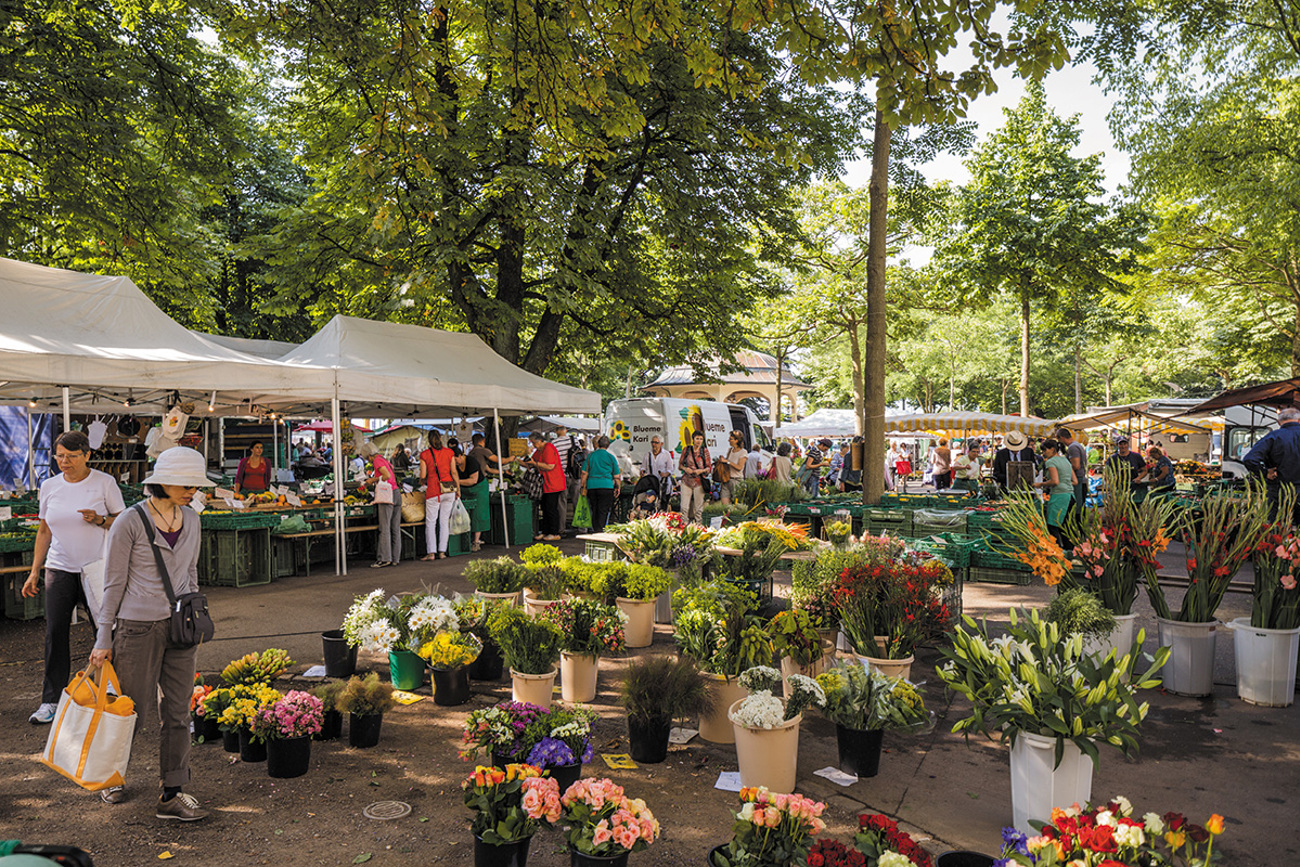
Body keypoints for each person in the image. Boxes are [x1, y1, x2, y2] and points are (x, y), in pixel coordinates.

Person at [90, 446, 212, 819]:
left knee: (178, 712)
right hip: (136, 628)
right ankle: (111, 776)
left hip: (180, 626)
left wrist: (194, 613)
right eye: (186, 484)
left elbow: (190, 573)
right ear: (162, 482)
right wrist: (103, 636)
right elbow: (113, 584)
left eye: (196, 485)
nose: (193, 491)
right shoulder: (129, 520)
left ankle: (172, 793)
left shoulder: (192, 519)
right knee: (132, 711)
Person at [22, 431, 126, 725]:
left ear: (87, 455)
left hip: (96, 567)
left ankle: (111, 688)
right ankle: (51, 700)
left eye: (71, 456)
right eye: (59, 456)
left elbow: (123, 520)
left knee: (104, 629)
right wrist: (35, 571)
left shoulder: (105, 483)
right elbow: (44, 530)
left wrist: (99, 520)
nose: (64, 462)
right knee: (55, 633)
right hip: (59, 567)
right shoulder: (50, 485)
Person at [1243, 407, 1300, 522]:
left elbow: (1249, 459)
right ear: (1299, 420)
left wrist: (1265, 473)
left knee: (1279, 531)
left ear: (1278, 422)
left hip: (1280, 492)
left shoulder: (1273, 437)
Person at [419, 430, 460, 560]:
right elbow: (454, 472)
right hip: (449, 490)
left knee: (431, 523)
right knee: (444, 522)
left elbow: (423, 475)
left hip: (434, 491)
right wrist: (458, 489)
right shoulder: (449, 452)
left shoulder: (424, 455)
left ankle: (431, 553)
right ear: (441, 438)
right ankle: (442, 552)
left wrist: (421, 480)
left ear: (428, 440)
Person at [518, 431, 566, 540]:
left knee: (551, 508)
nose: (533, 445)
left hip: (554, 483)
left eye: (534, 443)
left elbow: (550, 466)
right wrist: (519, 460)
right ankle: (545, 532)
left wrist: (535, 464)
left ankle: (554, 533)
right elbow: (531, 462)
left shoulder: (548, 448)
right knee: (544, 507)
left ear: (540, 441)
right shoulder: (539, 450)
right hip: (545, 484)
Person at [361, 441, 399, 567]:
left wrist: (372, 479)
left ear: (370, 455)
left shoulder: (377, 460)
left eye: (367, 458)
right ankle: (395, 558)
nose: (369, 461)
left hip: (387, 495)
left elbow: (386, 475)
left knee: (385, 528)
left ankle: (384, 559)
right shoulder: (383, 459)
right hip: (396, 493)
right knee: (395, 528)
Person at [450, 437, 489, 552]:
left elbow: (473, 480)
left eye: (456, 459)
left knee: (478, 514)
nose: (455, 463)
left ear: (461, 455)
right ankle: (464, 539)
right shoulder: (454, 465)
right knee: (463, 514)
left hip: (479, 489)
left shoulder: (471, 461)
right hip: (464, 490)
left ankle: (476, 541)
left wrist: (457, 482)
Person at [1037, 438, 1074, 551]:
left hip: (1059, 497)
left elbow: (1055, 481)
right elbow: (1075, 481)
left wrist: (1040, 484)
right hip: (1071, 496)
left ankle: (1056, 553)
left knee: (1053, 527)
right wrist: (1064, 483)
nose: (1043, 453)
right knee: (1066, 528)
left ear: (1052, 449)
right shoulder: (1065, 460)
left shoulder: (1051, 461)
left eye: (1045, 450)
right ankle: (1071, 553)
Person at [580, 435, 622, 532]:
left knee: (594, 509)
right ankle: (600, 530)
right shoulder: (611, 457)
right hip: (606, 486)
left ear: (598, 444)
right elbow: (616, 476)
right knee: (603, 511)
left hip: (592, 486)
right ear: (608, 445)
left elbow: (584, 473)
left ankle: (595, 529)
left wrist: (582, 486)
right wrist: (618, 487)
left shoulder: (591, 456)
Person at [678, 430, 711, 524]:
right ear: (693, 439)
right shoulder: (687, 450)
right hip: (686, 481)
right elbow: (680, 465)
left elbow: (709, 468)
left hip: (699, 482)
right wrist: (685, 468)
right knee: (684, 507)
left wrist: (701, 471)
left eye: (701, 439)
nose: (699, 441)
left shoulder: (704, 451)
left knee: (698, 509)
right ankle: (683, 526)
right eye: (697, 439)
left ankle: (698, 526)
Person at [1056, 427, 1087, 512]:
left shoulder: (1072, 447)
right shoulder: (1076, 445)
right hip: (1080, 479)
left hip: (1078, 480)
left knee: (1077, 508)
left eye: (1057, 438)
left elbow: (1076, 465)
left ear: (1061, 437)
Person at [642, 436, 676, 503]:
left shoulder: (666, 454)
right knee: (650, 503)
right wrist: (642, 472)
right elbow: (643, 467)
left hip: (663, 485)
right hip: (651, 485)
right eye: (652, 442)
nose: (653, 444)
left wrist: (665, 474)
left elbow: (671, 469)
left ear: (661, 444)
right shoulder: (647, 455)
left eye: (656, 442)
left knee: (663, 504)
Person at [718, 430, 747, 505]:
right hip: (726, 479)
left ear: (736, 440)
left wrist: (727, 461)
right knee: (725, 505)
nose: (729, 440)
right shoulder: (730, 450)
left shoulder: (743, 452)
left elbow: (739, 467)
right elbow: (727, 462)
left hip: (736, 481)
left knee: (737, 505)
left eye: (731, 439)